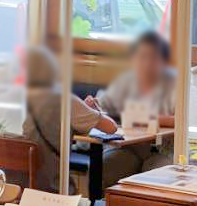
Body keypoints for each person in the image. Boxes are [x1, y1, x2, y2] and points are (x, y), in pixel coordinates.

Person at [87, 31, 178, 183]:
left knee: (155, 177)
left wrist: (150, 118)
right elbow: (103, 106)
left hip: (163, 152)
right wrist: (91, 108)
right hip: (130, 148)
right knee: (106, 168)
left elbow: (194, 120)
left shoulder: (177, 83)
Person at [22, 46, 116, 194]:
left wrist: (84, 111)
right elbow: (111, 127)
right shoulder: (66, 100)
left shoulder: (21, 96)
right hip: (52, 185)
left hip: (18, 184)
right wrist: (93, 111)